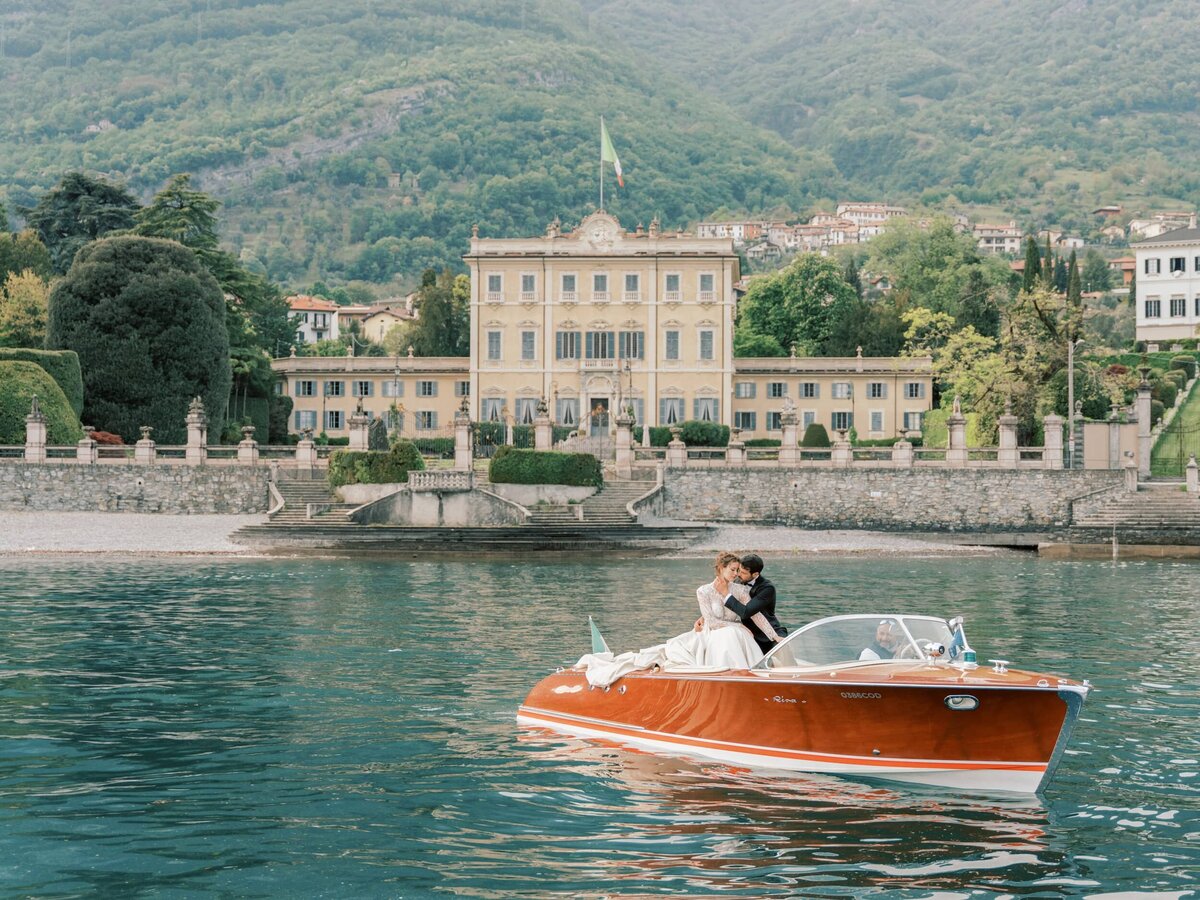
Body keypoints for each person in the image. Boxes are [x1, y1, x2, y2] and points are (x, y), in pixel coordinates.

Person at [686, 551, 779, 669]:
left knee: (732, 634)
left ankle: (744, 671)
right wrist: (738, 626)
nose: (736, 574)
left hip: (737, 633)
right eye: (733, 569)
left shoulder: (740, 590)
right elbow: (712, 622)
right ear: (721, 568)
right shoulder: (703, 591)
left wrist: (774, 636)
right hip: (713, 632)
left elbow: (755, 615)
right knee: (730, 634)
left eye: (738, 570)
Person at [722, 553, 788, 655]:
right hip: (745, 631)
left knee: (781, 654)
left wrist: (727, 595)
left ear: (755, 574)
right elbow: (718, 599)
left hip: (767, 632)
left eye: (743, 572)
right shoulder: (737, 581)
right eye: (738, 570)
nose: (738, 574)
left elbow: (746, 612)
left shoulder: (767, 588)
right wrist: (704, 617)